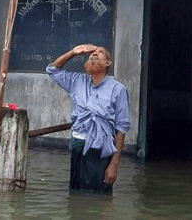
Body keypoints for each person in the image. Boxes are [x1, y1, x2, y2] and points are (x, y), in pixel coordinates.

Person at [46, 44, 130, 193]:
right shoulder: (77, 81)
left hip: (101, 150)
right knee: (75, 194)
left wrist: (114, 164)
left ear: (108, 63)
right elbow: (52, 69)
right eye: (92, 53)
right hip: (78, 146)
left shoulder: (118, 90)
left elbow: (122, 128)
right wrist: (73, 52)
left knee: (98, 197)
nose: (94, 54)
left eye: (100, 53)